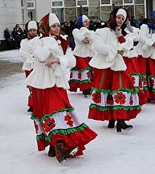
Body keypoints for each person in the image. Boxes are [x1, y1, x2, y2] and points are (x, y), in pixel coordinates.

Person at [26, 13, 97, 162]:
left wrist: (58, 59)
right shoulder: (37, 41)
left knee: (60, 111)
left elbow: (71, 60)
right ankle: (57, 145)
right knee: (49, 112)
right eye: (53, 26)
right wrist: (51, 43)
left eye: (58, 25)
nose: (57, 28)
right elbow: (40, 56)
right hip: (42, 82)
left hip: (58, 81)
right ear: (46, 27)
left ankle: (58, 145)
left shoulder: (64, 41)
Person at [88, 8, 141, 132]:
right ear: (113, 17)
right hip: (104, 66)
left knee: (120, 89)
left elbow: (127, 46)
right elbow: (98, 46)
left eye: (122, 19)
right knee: (107, 90)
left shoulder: (123, 34)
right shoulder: (102, 31)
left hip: (117, 65)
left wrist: (120, 36)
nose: (120, 21)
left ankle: (120, 119)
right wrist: (115, 49)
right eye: (118, 18)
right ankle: (111, 118)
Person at [69, 15, 94, 97]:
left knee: (89, 72)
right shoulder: (76, 30)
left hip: (88, 55)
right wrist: (83, 38)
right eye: (85, 21)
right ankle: (85, 89)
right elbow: (79, 37)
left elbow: (92, 40)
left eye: (88, 22)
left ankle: (89, 88)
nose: (87, 23)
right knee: (84, 71)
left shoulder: (90, 31)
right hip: (79, 54)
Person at [18, 20, 39, 112]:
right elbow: (22, 52)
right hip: (29, 65)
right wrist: (30, 57)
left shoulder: (40, 40)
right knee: (31, 85)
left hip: (38, 66)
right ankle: (32, 104)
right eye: (30, 30)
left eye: (34, 30)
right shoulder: (24, 41)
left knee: (39, 84)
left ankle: (39, 103)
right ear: (27, 32)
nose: (32, 32)